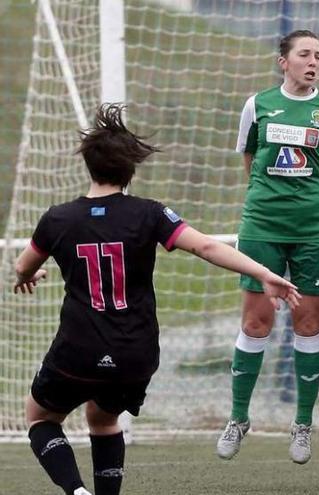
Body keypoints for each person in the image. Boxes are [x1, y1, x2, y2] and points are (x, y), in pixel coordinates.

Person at [14, 103, 301, 495]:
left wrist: (32, 274)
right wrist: (264, 273)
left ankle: (76, 491)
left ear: (90, 166)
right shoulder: (149, 214)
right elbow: (204, 247)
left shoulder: (58, 218)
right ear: (131, 169)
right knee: (103, 419)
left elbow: (21, 267)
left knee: (39, 417)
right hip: (135, 352)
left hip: (77, 349)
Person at [216, 29, 319, 463]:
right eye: (305, 54)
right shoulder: (258, 105)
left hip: (313, 230)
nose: (314, 62)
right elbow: (250, 160)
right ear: (283, 61)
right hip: (262, 227)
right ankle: (238, 418)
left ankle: (303, 424)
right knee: (256, 323)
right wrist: (267, 202)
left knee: (309, 325)